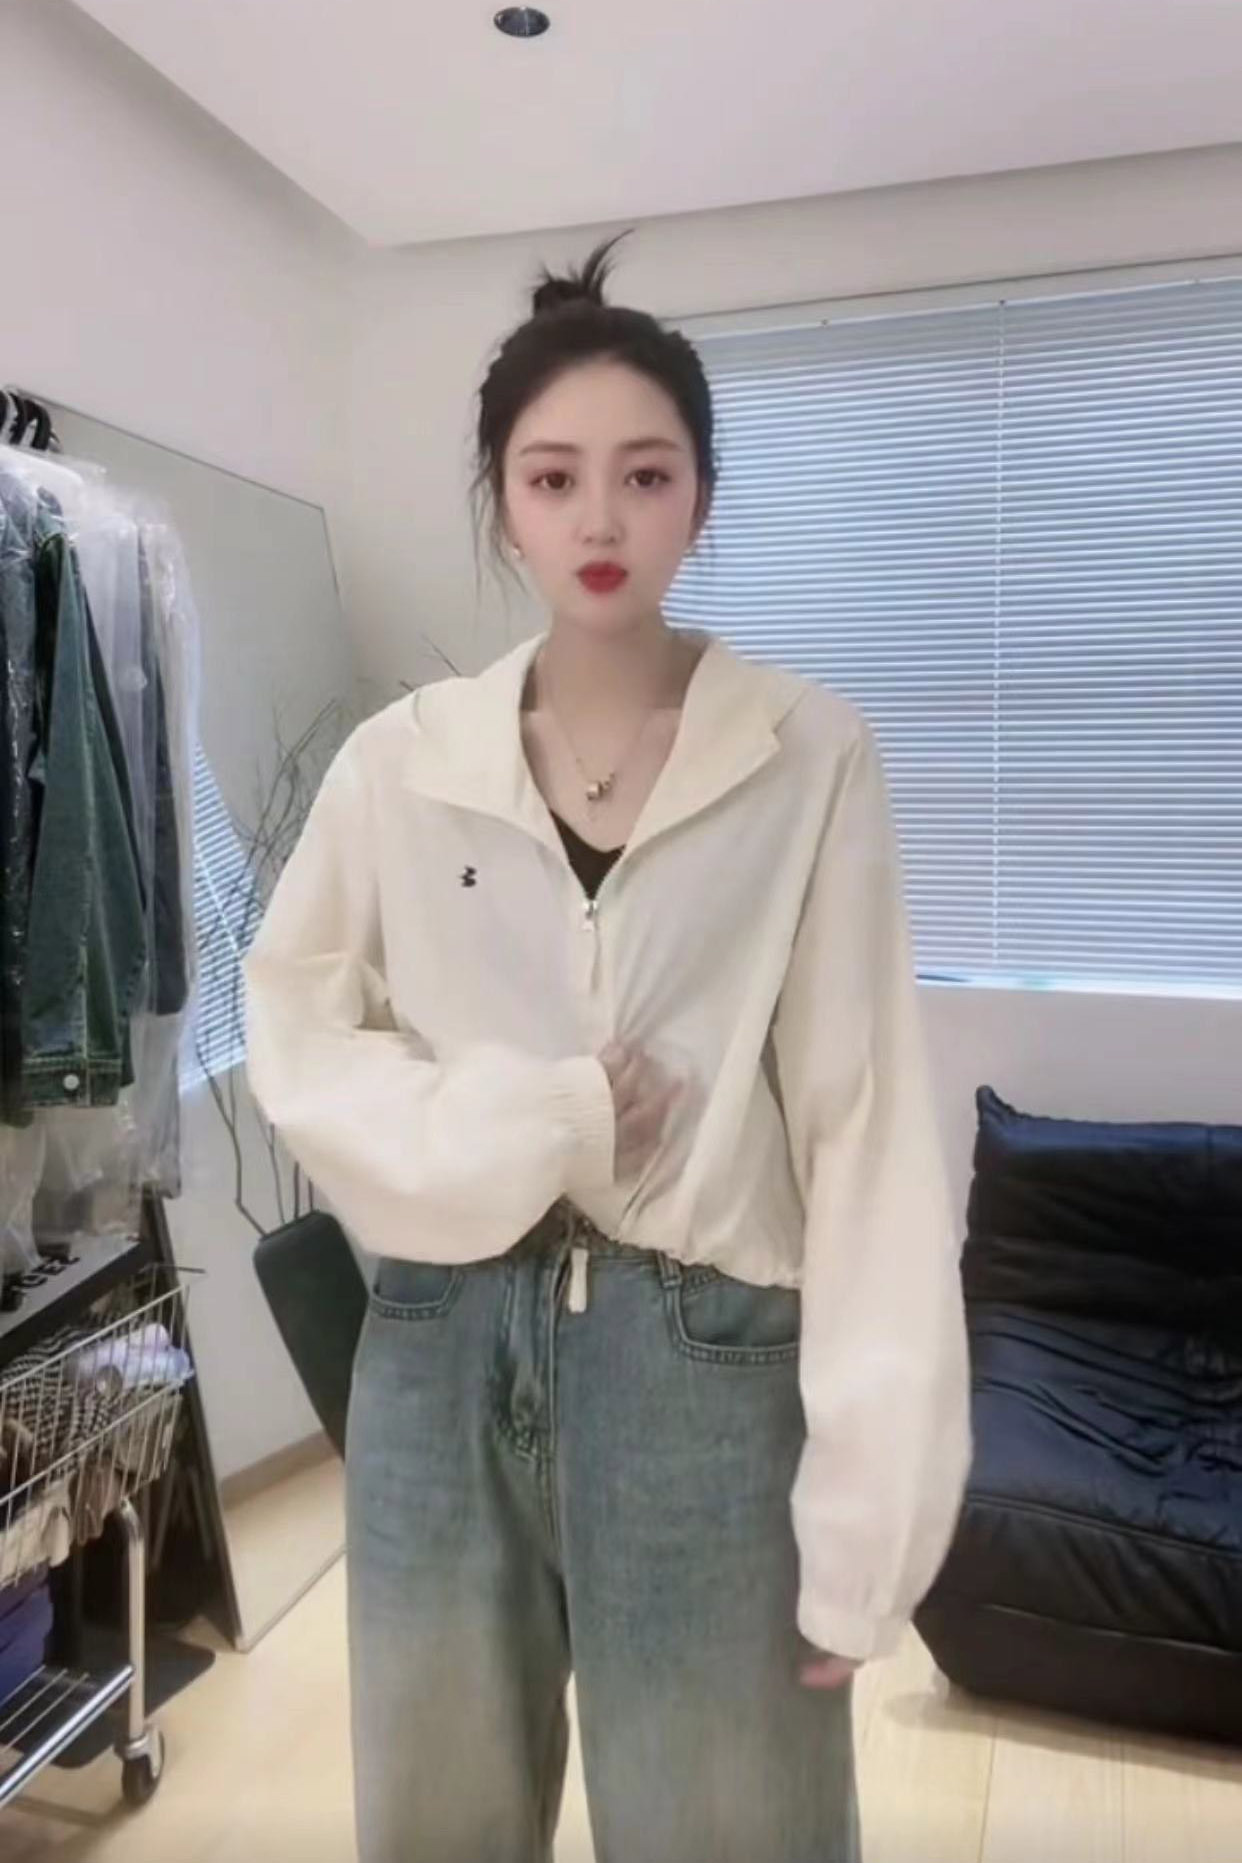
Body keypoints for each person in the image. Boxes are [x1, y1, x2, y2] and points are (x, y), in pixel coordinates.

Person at [243, 233, 972, 1863]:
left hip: (701, 1363)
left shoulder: (805, 755)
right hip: (435, 1347)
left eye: (643, 475)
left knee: (731, 1830)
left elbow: (860, 1127)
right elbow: (296, 1029)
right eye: (552, 476)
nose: (597, 518)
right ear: (500, 503)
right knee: (433, 1827)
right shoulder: (399, 765)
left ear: (699, 502)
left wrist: (867, 1525)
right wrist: (536, 1123)